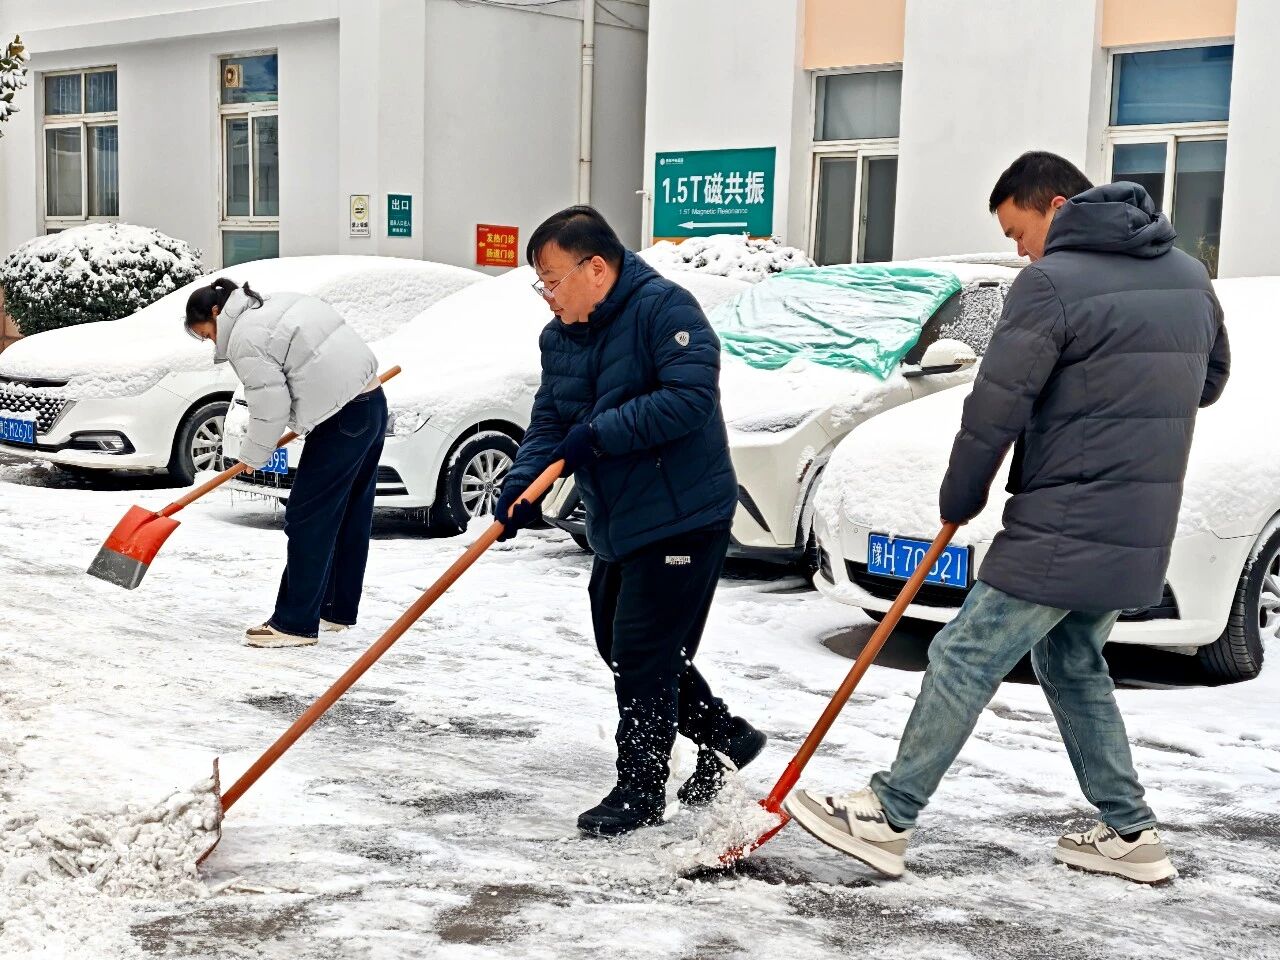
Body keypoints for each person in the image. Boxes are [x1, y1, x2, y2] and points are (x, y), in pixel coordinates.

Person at [784, 151, 1230, 883]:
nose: (1019, 250)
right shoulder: (1187, 274)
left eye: (1018, 231)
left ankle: (888, 814)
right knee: (1071, 660)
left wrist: (960, 498)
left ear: (1055, 206)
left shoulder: (1051, 283)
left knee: (964, 654)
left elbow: (995, 407)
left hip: (1065, 514)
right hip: (1141, 516)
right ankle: (1130, 832)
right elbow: (1208, 382)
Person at [494, 206, 766, 836]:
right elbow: (550, 421)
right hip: (619, 519)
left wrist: (599, 434)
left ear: (596, 268)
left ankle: (639, 790)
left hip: (683, 513)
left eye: (553, 281)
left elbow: (688, 399)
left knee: (644, 653)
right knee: (619, 644)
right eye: (541, 284)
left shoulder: (665, 310)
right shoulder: (561, 336)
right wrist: (520, 487)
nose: (549, 297)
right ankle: (726, 736)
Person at [185, 277, 388, 648]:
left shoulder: (244, 336)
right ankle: (333, 608)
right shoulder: (270, 305)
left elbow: (270, 404)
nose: (213, 342)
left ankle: (294, 624)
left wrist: (252, 455)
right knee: (348, 514)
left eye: (207, 334)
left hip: (342, 418)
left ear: (216, 313)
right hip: (371, 403)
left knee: (308, 517)